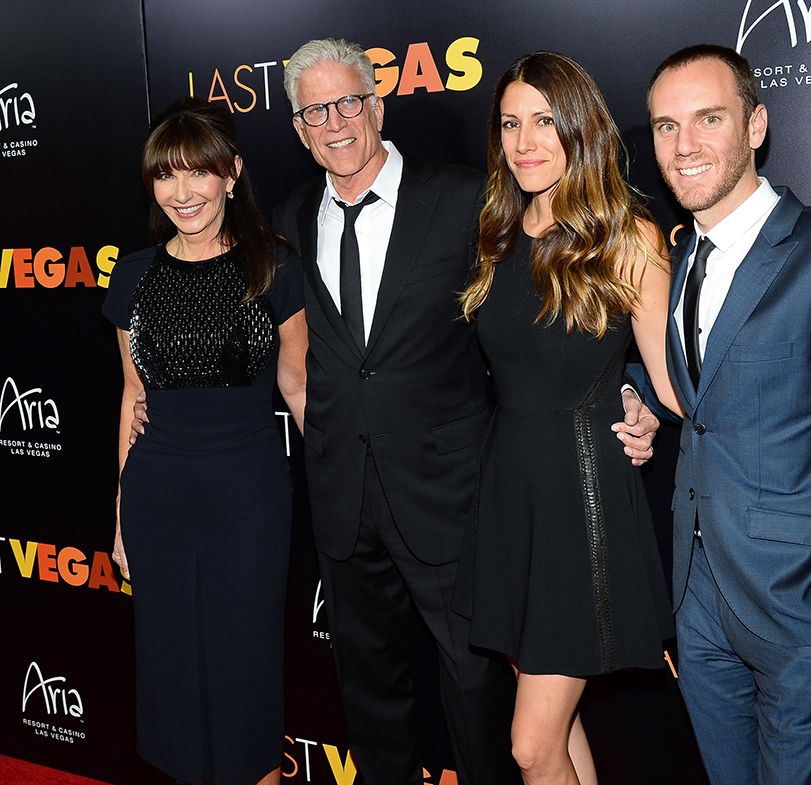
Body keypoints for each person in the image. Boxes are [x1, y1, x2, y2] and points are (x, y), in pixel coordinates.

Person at [267, 38, 661, 785]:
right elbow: (299, 361)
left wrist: (631, 390)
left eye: (349, 101)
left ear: (377, 105)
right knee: (370, 691)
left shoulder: (467, 202)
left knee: (486, 698)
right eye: (315, 110)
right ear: (298, 128)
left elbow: (565, 312)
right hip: (342, 494)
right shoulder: (289, 216)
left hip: (455, 495)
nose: (336, 121)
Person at [631, 44, 811, 785]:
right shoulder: (685, 253)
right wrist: (636, 390)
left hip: (804, 611)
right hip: (699, 605)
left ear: (755, 125)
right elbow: (708, 397)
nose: (684, 145)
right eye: (665, 126)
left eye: (708, 119)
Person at [455, 51, 680, 785]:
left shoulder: (627, 236)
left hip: (582, 506)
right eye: (510, 124)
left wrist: (640, 397)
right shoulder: (498, 231)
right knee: (560, 725)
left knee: (530, 744)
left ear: (579, 127)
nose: (524, 141)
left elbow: (677, 384)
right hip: (512, 494)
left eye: (544, 122)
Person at [103, 98, 306, 785]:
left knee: (243, 672)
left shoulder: (273, 267)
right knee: (173, 676)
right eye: (166, 176)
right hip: (158, 497)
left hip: (246, 500)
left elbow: (302, 391)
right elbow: (133, 397)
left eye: (199, 173)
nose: (182, 192)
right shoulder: (131, 275)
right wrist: (122, 518)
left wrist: (347, 494)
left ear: (232, 173)